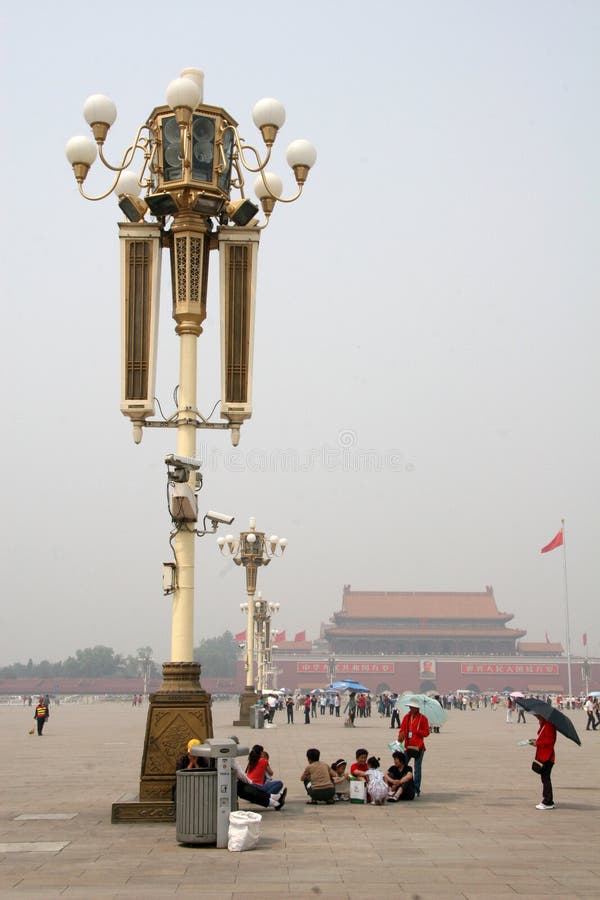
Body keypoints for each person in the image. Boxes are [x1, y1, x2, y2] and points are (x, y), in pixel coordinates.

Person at [229, 737, 286, 811]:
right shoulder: (232, 759)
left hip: (239, 783)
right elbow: (240, 774)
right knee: (278, 783)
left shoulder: (251, 761)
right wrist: (249, 782)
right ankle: (276, 800)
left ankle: (275, 800)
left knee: (252, 792)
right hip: (247, 783)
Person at [398, 702, 430, 796]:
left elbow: (427, 733)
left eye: (413, 707)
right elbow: (402, 729)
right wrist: (400, 737)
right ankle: (401, 786)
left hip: (419, 747)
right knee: (402, 766)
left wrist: (417, 731)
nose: (411, 709)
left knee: (417, 769)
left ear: (417, 708)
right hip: (407, 746)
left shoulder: (423, 718)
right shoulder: (406, 717)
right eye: (410, 707)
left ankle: (416, 789)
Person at [529, 714, 557, 810]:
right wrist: (535, 742)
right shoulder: (545, 724)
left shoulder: (549, 725)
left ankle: (548, 801)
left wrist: (537, 743)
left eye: (538, 716)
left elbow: (549, 741)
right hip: (544, 755)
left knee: (546, 778)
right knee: (545, 778)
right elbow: (542, 737)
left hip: (547, 756)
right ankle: (548, 800)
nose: (537, 717)